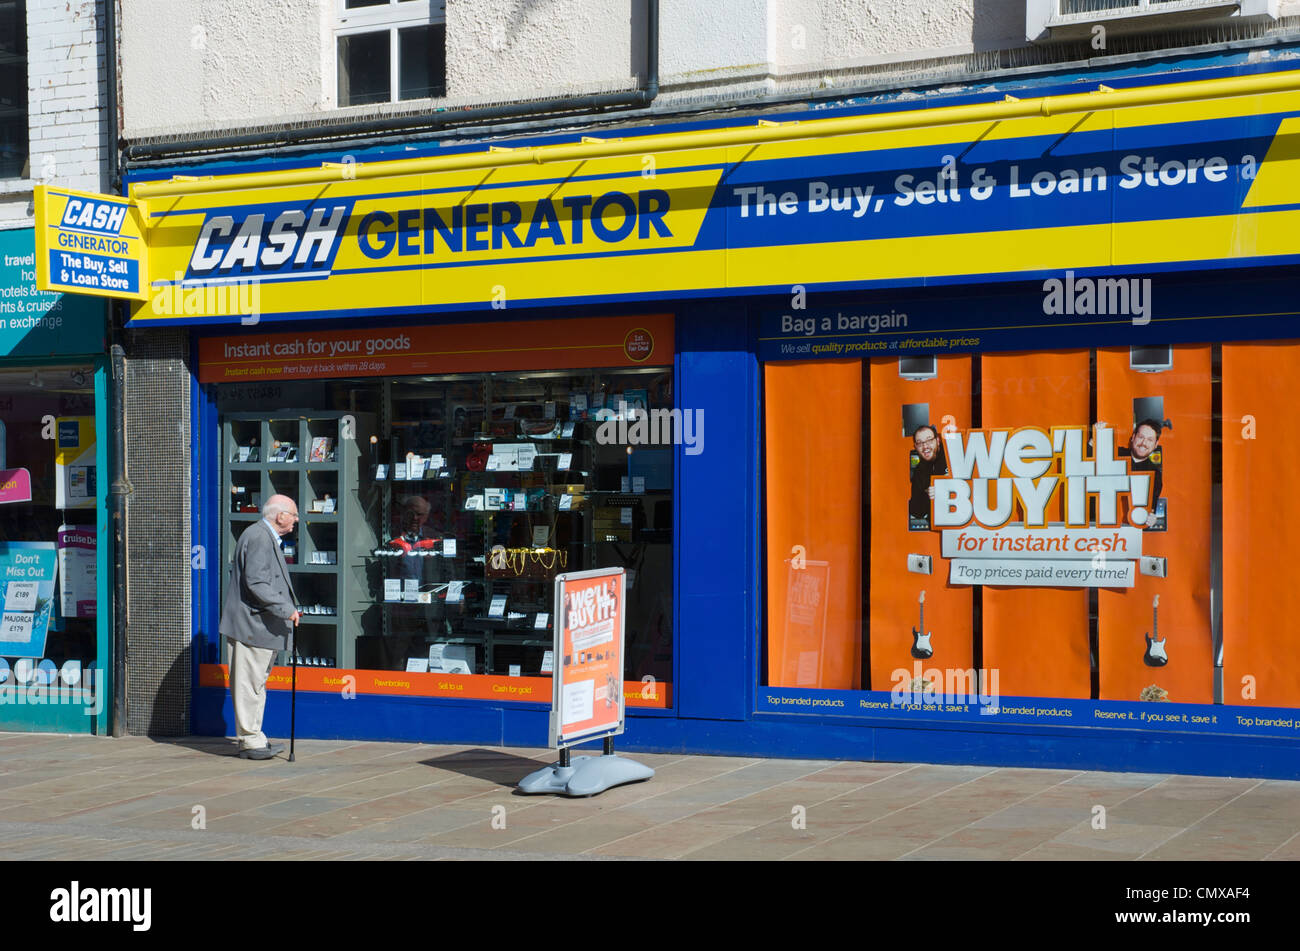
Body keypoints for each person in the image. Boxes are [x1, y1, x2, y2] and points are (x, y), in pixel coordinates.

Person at [219, 494, 300, 760]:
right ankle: (251, 741)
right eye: (294, 515)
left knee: (254, 684)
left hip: (258, 626)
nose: (297, 520)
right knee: (249, 685)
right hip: (252, 626)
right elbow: (257, 583)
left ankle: (255, 738)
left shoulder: (261, 536)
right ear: (280, 516)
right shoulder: (259, 538)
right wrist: (286, 609)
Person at [1119, 419, 1163, 528]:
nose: (1144, 443)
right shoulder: (1114, 453)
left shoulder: (1155, 474)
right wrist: (1095, 439)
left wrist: (1150, 518)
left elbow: (1150, 509)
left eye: (1150, 440)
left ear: (1155, 444)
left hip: (1127, 531)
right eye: (1141, 437)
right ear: (1133, 437)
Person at [908, 424, 948, 525]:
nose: (925, 446)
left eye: (929, 440)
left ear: (937, 441)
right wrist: (927, 493)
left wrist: (945, 489)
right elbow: (917, 512)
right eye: (920, 443)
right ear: (915, 447)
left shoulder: (951, 455)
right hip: (938, 528)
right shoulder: (919, 472)